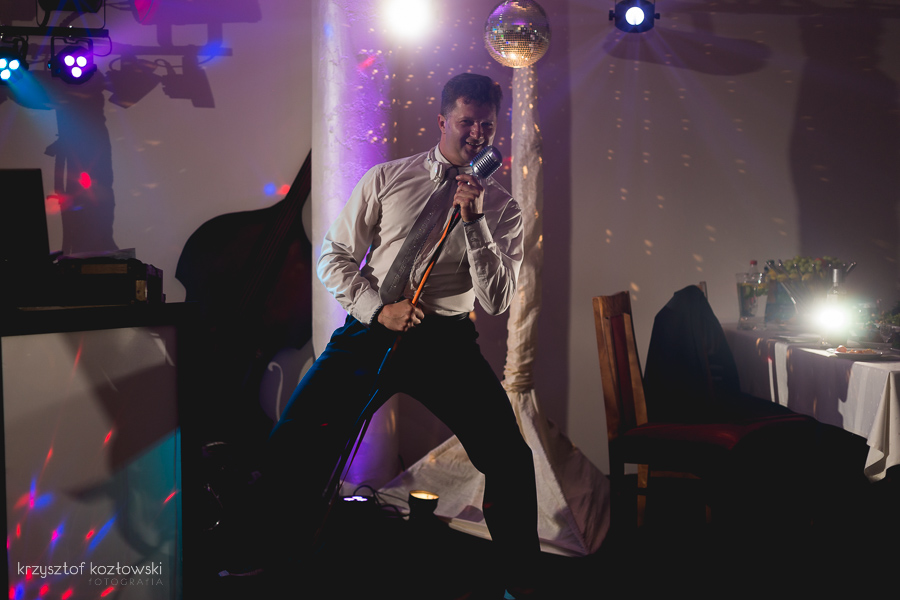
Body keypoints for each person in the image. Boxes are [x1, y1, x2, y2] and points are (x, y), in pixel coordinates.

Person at [266, 73, 540, 597]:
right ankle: (278, 562)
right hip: (372, 330)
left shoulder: (502, 207)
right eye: (466, 122)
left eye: (487, 125)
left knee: (510, 459)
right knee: (293, 443)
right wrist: (377, 310)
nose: (477, 134)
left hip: (446, 344)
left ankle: (521, 588)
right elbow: (334, 256)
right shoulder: (388, 178)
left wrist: (475, 221)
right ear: (442, 120)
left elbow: (497, 300)